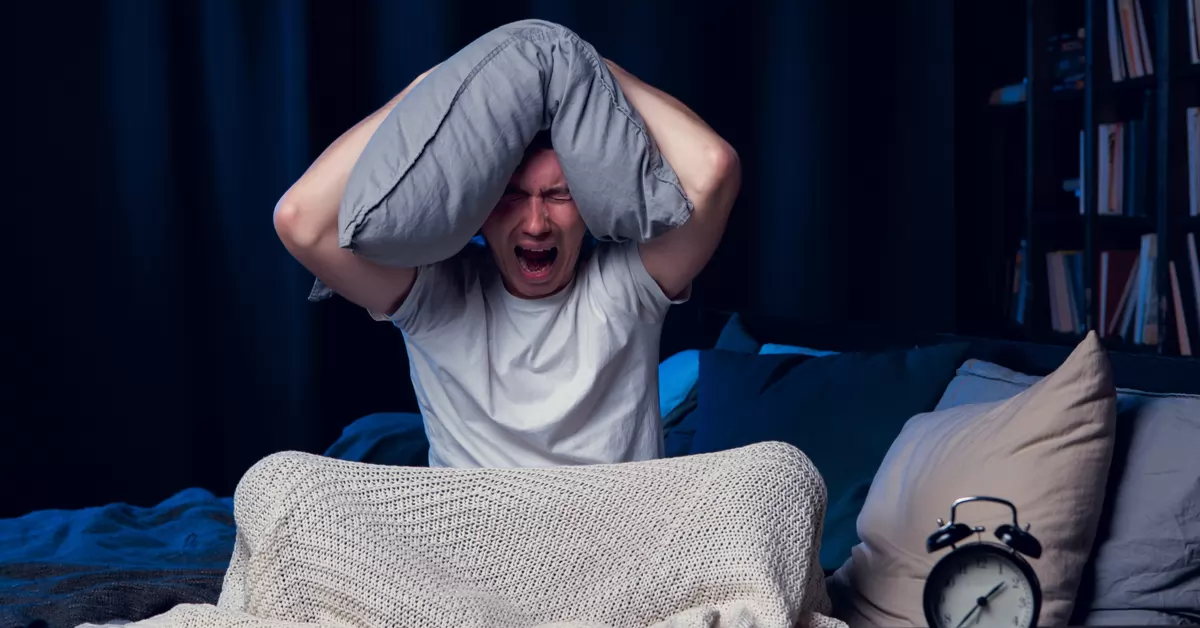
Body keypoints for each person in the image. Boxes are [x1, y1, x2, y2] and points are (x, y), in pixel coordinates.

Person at [274, 59, 740, 468]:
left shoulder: (626, 285)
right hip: (475, 537)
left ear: (591, 206)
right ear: (476, 208)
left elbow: (714, 168)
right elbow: (300, 221)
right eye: (510, 196)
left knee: (768, 467)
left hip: (612, 535)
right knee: (285, 480)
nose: (535, 224)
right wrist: (433, 86)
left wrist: (584, 65)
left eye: (559, 195)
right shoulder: (433, 292)